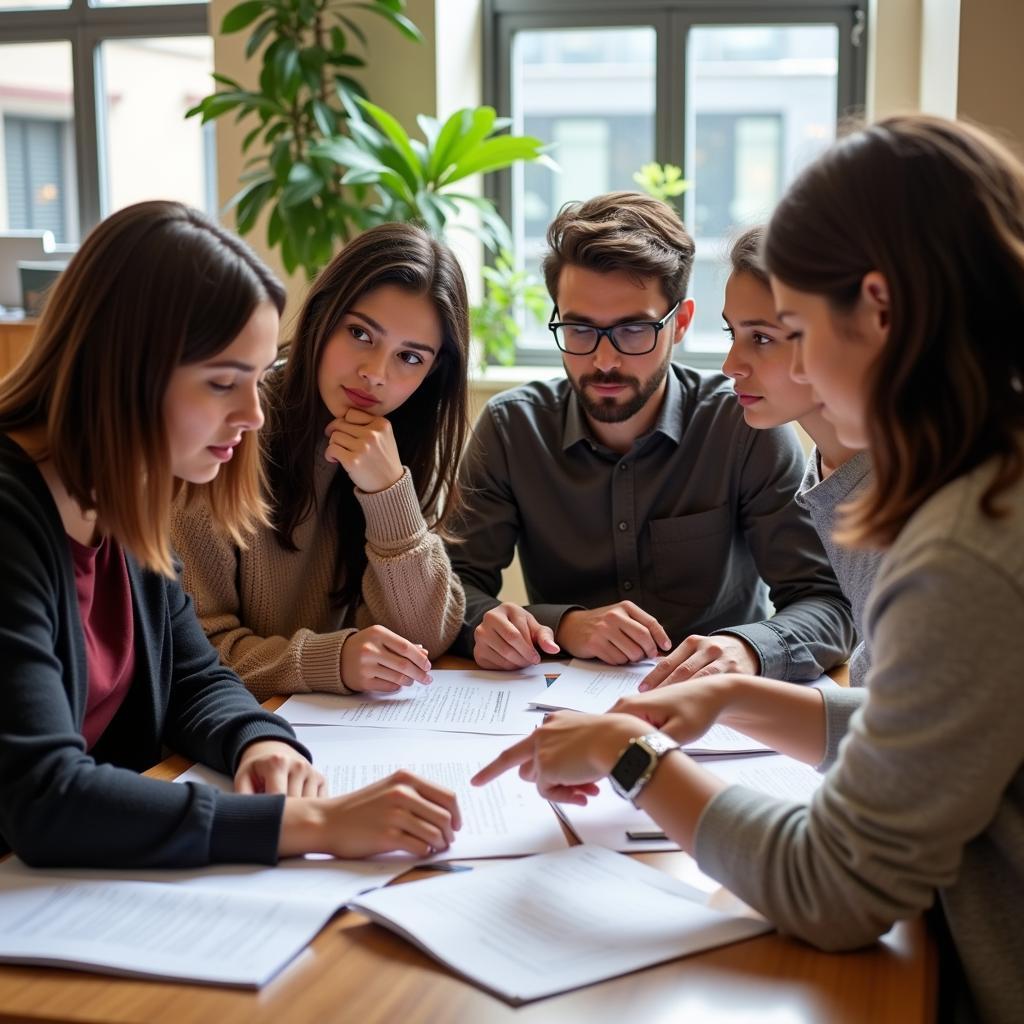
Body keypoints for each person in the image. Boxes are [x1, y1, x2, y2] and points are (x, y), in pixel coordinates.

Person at [473, 115, 1024, 1023]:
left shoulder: (965, 544)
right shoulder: (985, 481)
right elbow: (924, 731)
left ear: (880, 310)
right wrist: (734, 700)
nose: (761, 364)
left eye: (791, 329)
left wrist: (630, 752)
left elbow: (834, 889)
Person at [0, 202, 459, 868]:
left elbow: (194, 676)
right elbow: (45, 797)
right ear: (127, 367)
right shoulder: (15, 516)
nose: (251, 413)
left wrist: (259, 743)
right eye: (223, 383)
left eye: (254, 377)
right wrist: (312, 825)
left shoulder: (123, 491)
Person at [450, 191, 853, 681]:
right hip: (552, 710)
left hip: (717, 711)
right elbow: (453, 591)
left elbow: (826, 602)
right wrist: (566, 625)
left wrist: (746, 650)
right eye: (579, 328)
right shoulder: (513, 428)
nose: (604, 360)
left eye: (634, 330)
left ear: (679, 323)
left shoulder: (743, 426)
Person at [172, 223, 469, 701]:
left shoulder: (392, 444)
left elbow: (425, 638)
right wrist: (333, 660)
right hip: (220, 740)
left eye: (410, 358)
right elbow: (191, 653)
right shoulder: (228, 435)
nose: (375, 374)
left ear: (434, 372)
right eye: (360, 333)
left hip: (331, 732)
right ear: (322, 316)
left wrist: (388, 493)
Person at [711, 226, 882, 687]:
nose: (731, 365)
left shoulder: (916, 488)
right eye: (732, 332)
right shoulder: (831, 470)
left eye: (761, 338)